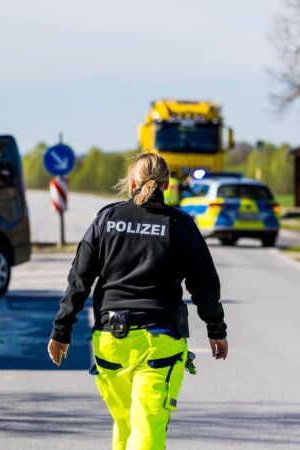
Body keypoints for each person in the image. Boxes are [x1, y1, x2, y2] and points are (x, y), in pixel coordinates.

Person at [47, 153, 228, 450]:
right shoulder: (180, 225)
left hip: (109, 342)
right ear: (167, 185)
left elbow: (79, 280)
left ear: (132, 182)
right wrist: (216, 330)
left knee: (126, 424)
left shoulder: (106, 219)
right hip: (158, 344)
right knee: (147, 430)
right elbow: (205, 285)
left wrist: (61, 330)